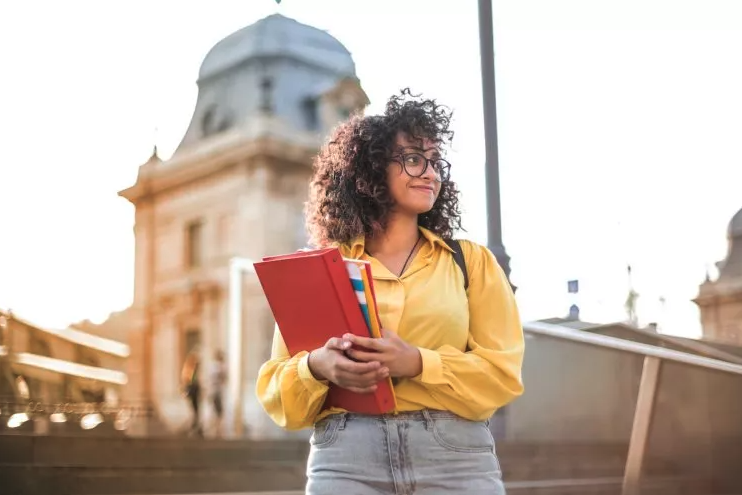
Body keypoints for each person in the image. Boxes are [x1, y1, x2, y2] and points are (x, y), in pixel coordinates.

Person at [256, 89, 525, 494]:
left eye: (436, 162)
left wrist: (417, 362)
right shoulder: (322, 270)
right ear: (371, 169)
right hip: (345, 456)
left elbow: (502, 376)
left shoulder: (471, 262)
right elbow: (277, 391)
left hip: (454, 457)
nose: (431, 173)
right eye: (414, 159)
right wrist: (317, 367)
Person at [181, 351, 203, 437]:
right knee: (195, 409)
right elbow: (189, 381)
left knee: (195, 409)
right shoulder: (190, 370)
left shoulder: (190, 369)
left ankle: (195, 424)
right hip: (193, 390)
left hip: (193, 390)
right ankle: (194, 425)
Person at [209, 349, 227, 437]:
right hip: (216, 390)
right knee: (217, 409)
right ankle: (216, 428)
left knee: (218, 410)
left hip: (217, 390)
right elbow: (222, 377)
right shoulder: (217, 366)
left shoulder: (215, 366)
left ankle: (217, 428)